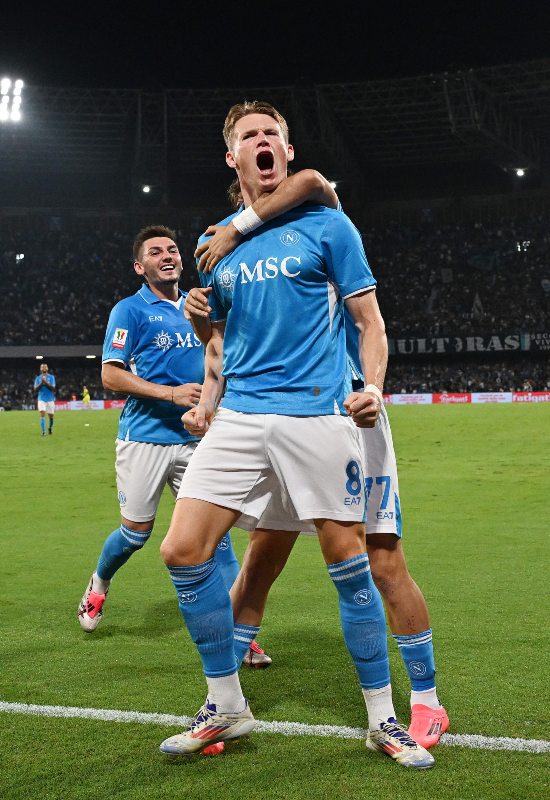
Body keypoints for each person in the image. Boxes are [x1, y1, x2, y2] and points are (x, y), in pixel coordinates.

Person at [155, 102, 431, 768]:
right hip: (241, 417)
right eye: (249, 136)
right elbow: (219, 343)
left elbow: (371, 323)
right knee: (182, 551)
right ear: (233, 157)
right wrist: (199, 329)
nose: (262, 142)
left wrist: (371, 387)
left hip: (316, 414)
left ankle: (383, 719)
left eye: (271, 134)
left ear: (285, 149)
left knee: (349, 565)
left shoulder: (327, 224)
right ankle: (226, 704)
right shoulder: (215, 245)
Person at [74, 226, 261, 670]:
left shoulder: (202, 304)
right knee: (135, 535)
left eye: (173, 249)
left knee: (217, 543)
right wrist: (170, 393)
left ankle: (241, 635)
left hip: (198, 440)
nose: (167, 255)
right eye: (155, 252)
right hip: (143, 439)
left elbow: (222, 358)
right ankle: (99, 583)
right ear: (140, 267)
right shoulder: (130, 310)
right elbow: (111, 376)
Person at [35, 363, 56, 435]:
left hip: (50, 398)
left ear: (47, 368)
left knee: (51, 416)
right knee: (42, 413)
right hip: (41, 398)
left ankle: (49, 427)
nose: (44, 368)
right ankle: (44, 432)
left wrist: (45, 382)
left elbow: (53, 387)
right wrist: (41, 383)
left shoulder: (51, 377)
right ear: (40, 369)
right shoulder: (38, 378)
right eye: (42, 367)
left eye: (45, 367)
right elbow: (35, 388)